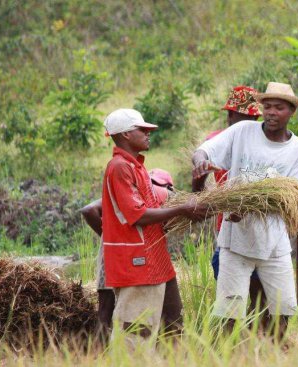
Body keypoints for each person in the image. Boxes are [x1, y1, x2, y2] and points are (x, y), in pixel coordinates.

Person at [191, 82, 298, 333]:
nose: (271, 112)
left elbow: (291, 197)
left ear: (291, 112)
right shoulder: (243, 131)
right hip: (235, 243)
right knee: (228, 314)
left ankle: (269, 355)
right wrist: (201, 161)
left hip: (275, 245)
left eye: (279, 107)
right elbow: (204, 151)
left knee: (283, 311)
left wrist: (249, 205)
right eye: (267, 106)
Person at [101, 108, 207, 342]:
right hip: (137, 263)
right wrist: (182, 209)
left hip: (156, 260)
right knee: (136, 335)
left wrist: (190, 202)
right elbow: (137, 214)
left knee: (173, 326)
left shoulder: (137, 167)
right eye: (143, 130)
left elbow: (153, 208)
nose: (149, 134)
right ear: (126, 135)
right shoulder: (119, 167)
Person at [191, 85, 268, 314]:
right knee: (232, 297)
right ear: (230, 117)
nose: (247, 123)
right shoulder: (216, 142)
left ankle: (260, 341)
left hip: (262, 228)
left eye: (252, 118)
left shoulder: (267, 141)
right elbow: (199, 190)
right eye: (243, 117)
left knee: (261, 298)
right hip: (229, 228)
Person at [80, 168, 176, 337]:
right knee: (140, 321)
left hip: (110, 252)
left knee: (104, 313)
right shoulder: (164, 194)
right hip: (135, 259)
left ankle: (97, 357)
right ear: (169, 186)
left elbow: (89, 210)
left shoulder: (131, 190)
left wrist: (110, 235)